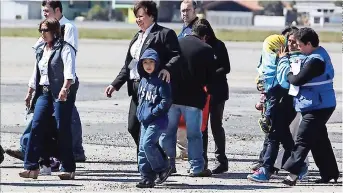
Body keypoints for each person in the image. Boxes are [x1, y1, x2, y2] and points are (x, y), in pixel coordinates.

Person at [5, 0, 85, 166]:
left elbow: (70, 54)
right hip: (48, 79)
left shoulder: (67, 28)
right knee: (47, 116)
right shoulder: (47, 28)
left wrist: (65, 83)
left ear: (57, 10)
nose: (45, 14)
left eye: (47, 11)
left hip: (62, 80)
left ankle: (72, 152)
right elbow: (39, 53)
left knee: (64, 117)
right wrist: (32, 87)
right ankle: (31, 147)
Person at [104, 0, 181, 162]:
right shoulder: (137, 37)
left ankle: (152, 163)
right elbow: (130, 64)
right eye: (136, 17)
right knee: (133, 127)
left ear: (151, 16)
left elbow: (177, 55)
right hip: (137, 89)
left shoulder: (164, 34)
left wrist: (167, 68)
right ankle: (152, 159)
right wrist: (115, 84)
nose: (138, 20)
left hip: (153, 90)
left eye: (141, 16)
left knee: (149, 129)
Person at [19, 18, 77, 180]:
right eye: (41, 31)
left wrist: (65, 88)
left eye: (45, 30)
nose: (42, 34)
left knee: (62, 128)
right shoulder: (41, 50)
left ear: (55, 31)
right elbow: (36, 73)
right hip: (44, 92)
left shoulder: (65, 48)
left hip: (60, 92)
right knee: (36, 126)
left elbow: (69, 72)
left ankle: (68, 167)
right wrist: (30, 92)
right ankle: (31, 167)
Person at [281, 27, 339, 186]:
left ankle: (292, 175)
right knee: (319, 140)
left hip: (318, 106)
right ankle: (330, 173)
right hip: (317, 104)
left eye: (299, 45)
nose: (297, 48)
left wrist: (287, 70)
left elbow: (297, 80)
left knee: (303, 139)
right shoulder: (316, 53)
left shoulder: (316, 60)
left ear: (308, 44)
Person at [159, 21, 215, 177]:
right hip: (193, 99)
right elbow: (210, 77)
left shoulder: (177, 43)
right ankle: (196, 167)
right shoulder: (206, 49)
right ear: (204, 36)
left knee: (168, 132)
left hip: (172, 96)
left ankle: (167, 164)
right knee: (194, 134)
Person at [247, 33, 298, 182]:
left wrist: (268, 112)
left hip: (282, 106)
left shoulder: (285, 63)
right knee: (284, 139)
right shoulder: (274, 67)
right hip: (278, 106)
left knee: (273, 137)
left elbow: (281, 87)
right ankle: (298, 166)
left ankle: (267, 169)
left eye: (270, 50)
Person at [194, 19, 230, 174]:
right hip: (202, 91)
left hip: (217, 91)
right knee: (202, 128)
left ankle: (221, 160)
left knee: (216, 126)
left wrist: (210, 75)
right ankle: (203, 161)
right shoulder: (197, 46)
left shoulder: (218, 45)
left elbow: (226, 67)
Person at [135, 48, 173, 188]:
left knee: (148, 143)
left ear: (157, 64)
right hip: (144, 120)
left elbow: (166, 101)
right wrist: (140, 114)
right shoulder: (143, 80)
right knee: (142, 150)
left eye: (151, 62)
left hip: (157, 120)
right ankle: (147, 177)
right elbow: (141, 100)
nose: (148, 65)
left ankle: (163, 168)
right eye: (145, 62)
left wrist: (153, 113)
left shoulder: (162, 79)